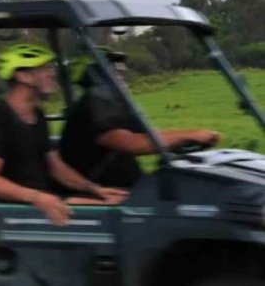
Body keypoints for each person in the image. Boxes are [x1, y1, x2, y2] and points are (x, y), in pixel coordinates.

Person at [0, 43, 128, 226]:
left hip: (45, 201)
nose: (53, 73)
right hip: (19, 211)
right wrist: (37, 197)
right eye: (45, 68)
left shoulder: (37, 115)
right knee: (121, 213)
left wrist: (95, 189)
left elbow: (55, 166)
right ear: (23, 76)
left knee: (121, 203)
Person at [59, 48, 220, 188]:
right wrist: (190, 134)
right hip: (97, 190)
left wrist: (181, 142)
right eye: (116, 74)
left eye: (122, 74)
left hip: (125, 186)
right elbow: (133, 143)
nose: (123, 80)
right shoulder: (92, 108)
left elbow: (151, 139)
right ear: (98, 77)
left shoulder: (116, 106)